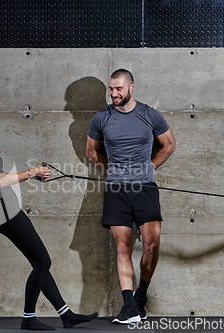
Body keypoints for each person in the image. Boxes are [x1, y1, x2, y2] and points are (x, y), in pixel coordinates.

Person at [0, 102, 98, 331]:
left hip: (8, 207)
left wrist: (32, 175)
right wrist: (32, 172)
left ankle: (66, 315)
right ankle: (28, 318)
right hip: (2, 211)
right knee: (43, 261)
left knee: (38, 263)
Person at [85, 69, 176, 324]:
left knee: (152, 245)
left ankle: (140, 297)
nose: (114, 94)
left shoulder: (149, 115)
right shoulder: (101, 118)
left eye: (119, 89)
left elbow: (169, 144)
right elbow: (91, 152)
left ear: (131, 87)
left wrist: (151, 167)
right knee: (123, 247)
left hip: (145, 187)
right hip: (116, 188)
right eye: (111, 89)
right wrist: (110, 169)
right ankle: (128, 307)